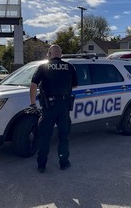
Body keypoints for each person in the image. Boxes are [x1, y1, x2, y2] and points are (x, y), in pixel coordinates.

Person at [30, 44, 78, 173]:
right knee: (63, 136)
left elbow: (33, 85)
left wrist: (33, 103)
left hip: (48, 107)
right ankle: (63, 162)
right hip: (63, 106)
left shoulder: (43, 67)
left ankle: (41, 165)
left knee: (45, 136)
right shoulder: (69, 67)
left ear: (49, 54)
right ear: (60, 54)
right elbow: (75, 86)